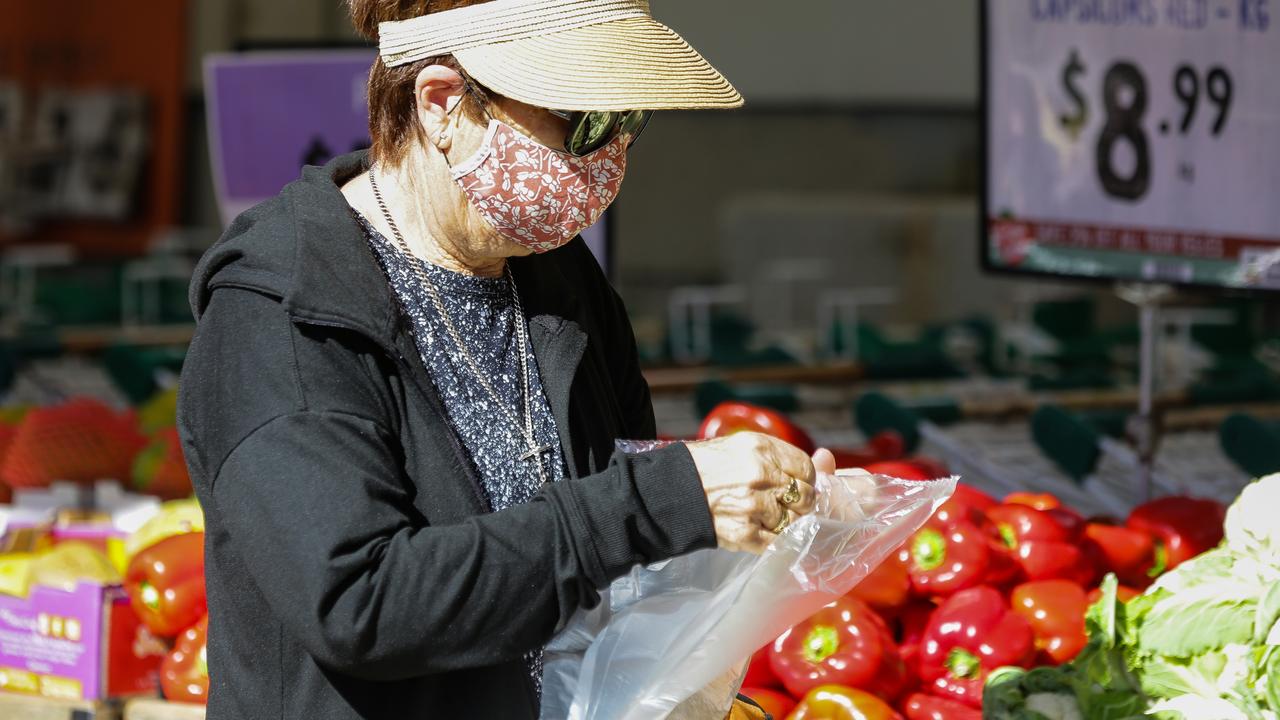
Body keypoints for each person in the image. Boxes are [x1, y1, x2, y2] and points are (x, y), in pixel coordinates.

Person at [178, 0, 833, 717]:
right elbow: (361, 604)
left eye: (628, 122)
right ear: (442, 104)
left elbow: (620, 555)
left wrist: (753, 534)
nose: (608, 156)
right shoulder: (284, 310)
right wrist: (658, 502)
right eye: (583, 122)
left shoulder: (559, 278)